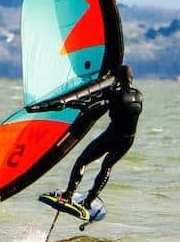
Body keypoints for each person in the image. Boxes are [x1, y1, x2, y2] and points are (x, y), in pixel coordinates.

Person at [57, 64, 142, 217]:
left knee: (82, 161)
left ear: (118, 79)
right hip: (128, 140)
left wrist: (67, 102)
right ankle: (88, 201)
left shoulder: (115, 95)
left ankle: (68, 195)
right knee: (107, 166)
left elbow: (92, 98)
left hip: (112, 136)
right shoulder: (139, 95)